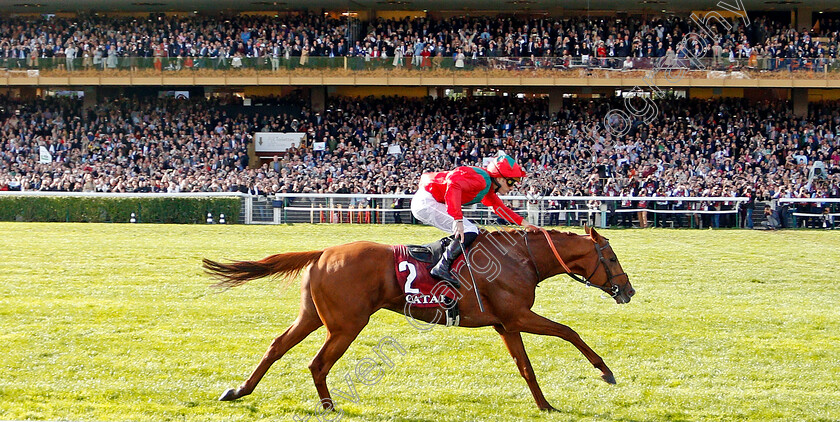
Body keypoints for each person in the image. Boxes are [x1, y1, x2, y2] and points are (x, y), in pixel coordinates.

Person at [410, 153, 538, 288]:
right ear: (500, 179)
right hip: (427, 201)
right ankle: (441, 267)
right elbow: (453, 183)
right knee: (469, 230)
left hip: (430, 200)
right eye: (511, 182)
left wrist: (526, 224)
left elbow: (499, 208)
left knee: (470, 231)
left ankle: (446, 262)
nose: (512, 187)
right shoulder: (482, 181)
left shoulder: (488, 187)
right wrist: (457, 219)